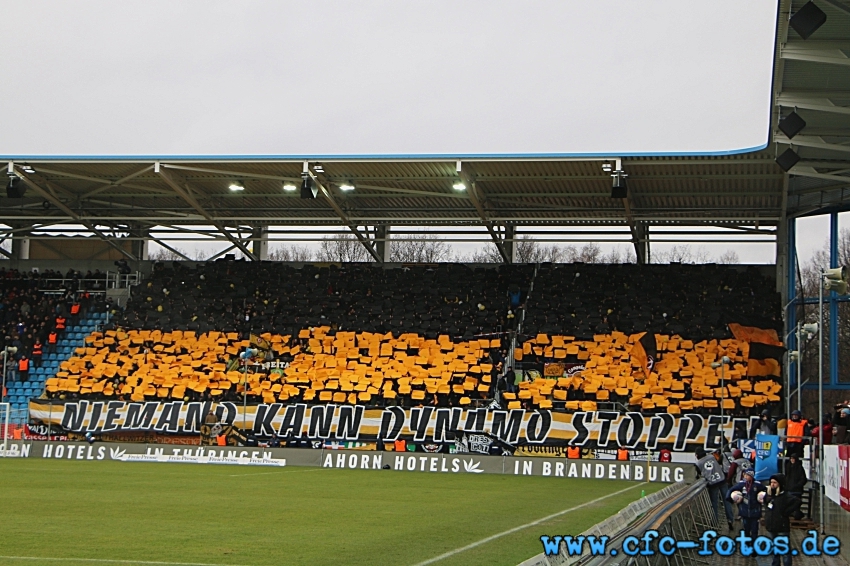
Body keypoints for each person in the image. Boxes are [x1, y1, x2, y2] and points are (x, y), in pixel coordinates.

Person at [761, 473, 802, 566]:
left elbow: (797, 501)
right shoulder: (769, 494)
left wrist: (787, 512)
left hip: (782, 527)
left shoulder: (785, 495)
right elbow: (765, 502)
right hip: (771, 526)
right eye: (771, 482)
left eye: (775, 482)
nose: (772, 484)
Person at [727, 469, 766, 539]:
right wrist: (730, 499)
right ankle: (747, 545)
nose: (745, 476)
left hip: (755, 511)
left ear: (751, 476)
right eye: (744, 475)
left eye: (747, 475)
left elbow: (766, 490)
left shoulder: (757, 485)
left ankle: (754, 545)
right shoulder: (741, 484)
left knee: (755, 530)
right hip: (744, 511)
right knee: (746, 530)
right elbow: (731, 490)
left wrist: (764, 498)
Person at [695, 447, 727, 525]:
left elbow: (698, 474)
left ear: (696, 455)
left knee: (714, 504)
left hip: (712, 483)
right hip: (722, 480)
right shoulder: (712, 457)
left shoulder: (698, 463)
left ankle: (715, 523)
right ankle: (730, 519)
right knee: (726, 501)